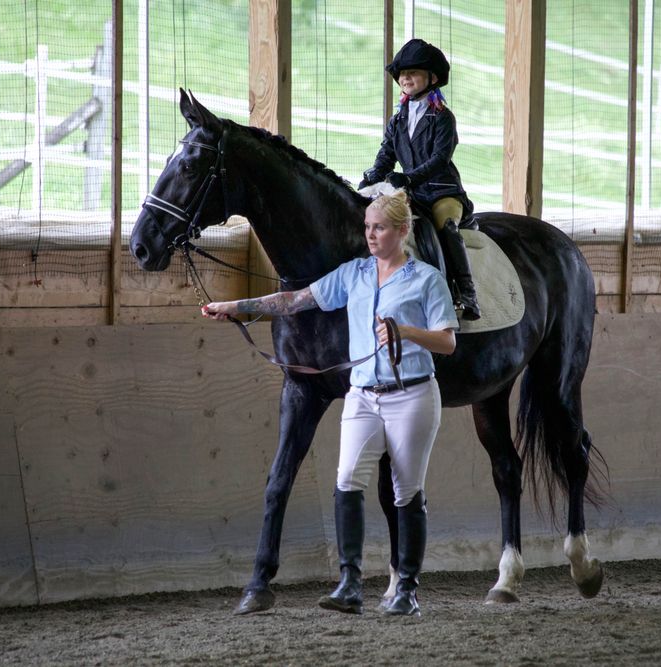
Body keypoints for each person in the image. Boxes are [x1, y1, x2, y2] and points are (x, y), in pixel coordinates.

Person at [202, 190, 458, 616]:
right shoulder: (354, 274)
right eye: (367, 227)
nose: (370, 235)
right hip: (363, 396)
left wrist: (407, 332)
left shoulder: (426, 279)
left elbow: (448, 342)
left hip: (411, 395)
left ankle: (407, 590)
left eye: (379, 228)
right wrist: (236, 307)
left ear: (402, 231)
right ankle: (349, 584)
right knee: (347, 480)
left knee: (406, 491)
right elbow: (294, 300)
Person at [359, 38, 481, 321]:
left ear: (432, 78)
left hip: (442, 191)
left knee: (446, 226)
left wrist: (409, 177)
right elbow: (386, 156)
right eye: (402, 74)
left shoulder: (443, 118)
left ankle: (466, 293)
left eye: (412, 72)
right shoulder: (398, 120)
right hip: (409, 193)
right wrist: (370, 179)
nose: (405, 78)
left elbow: (440, 159)